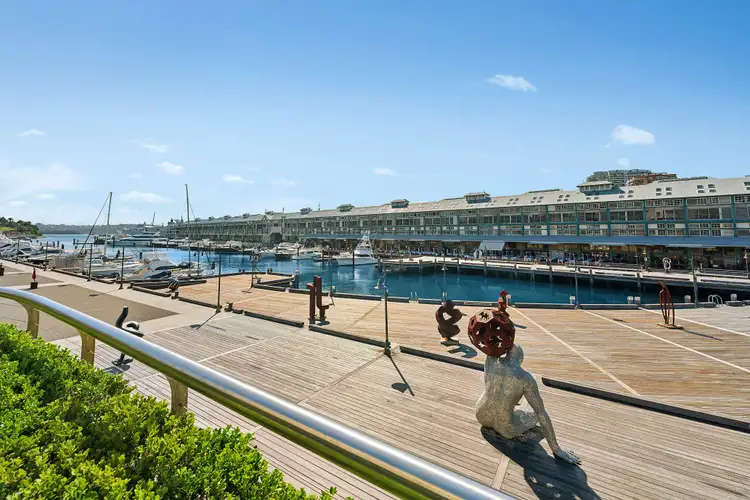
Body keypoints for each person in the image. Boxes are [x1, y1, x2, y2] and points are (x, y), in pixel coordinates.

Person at [476, 345, 580, 464]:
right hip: (505, 427)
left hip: (481, 415)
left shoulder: (491, 359)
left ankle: (511, 403)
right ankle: (512, 404)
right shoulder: (525, 378)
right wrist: (557, 449)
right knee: (535, 413)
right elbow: (541, 413)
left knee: (498, 393)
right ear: (520, 359)